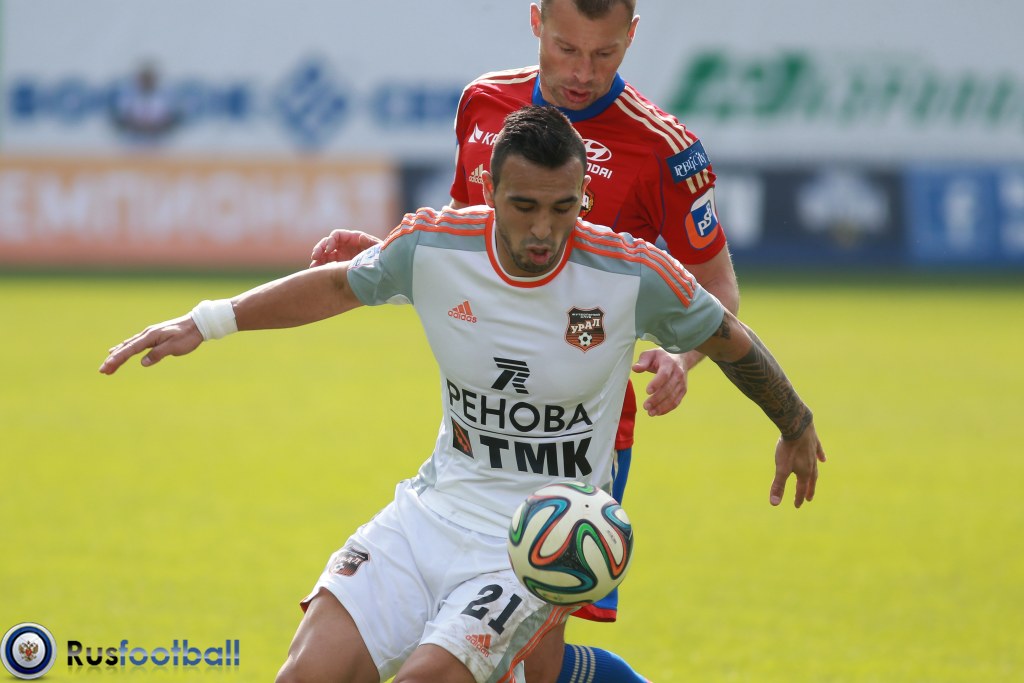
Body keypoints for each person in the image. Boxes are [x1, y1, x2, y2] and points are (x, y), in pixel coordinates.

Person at [100, 105, 824, 683]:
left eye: (564, 207)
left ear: (584, 197)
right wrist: (205, 321)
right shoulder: (434, 245)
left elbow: (729, 336)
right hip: (430, 511)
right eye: (524, 205)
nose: (544, 229)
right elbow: (336, 285)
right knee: (306, 674)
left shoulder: (629, 272)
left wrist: (794, 422)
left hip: (535, 541)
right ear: (488, 191)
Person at [309, 2, 740, 680]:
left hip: (580, 433)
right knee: (506, 658)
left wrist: (682, 357)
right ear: (536, 20)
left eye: (604, 54)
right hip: (485, 411)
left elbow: (718, 289)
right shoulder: (484, 103)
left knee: (530, 654)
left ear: (631, 36)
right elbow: (464, 236)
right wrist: (386, 255)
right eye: (568, 48)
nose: (583, 73)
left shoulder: (665, 147)